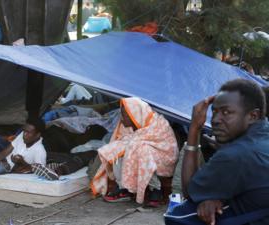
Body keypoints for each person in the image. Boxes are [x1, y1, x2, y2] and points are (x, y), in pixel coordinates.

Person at [168, 79, 269, 225]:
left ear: (253, 116)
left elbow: (190, 192)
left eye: (226, 112)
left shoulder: (235, 155)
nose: (215, 120)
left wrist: (195, 128)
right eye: (214, 111)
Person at [91, 97, 179, 204]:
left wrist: (134, 145)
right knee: (116, 150)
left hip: (162, 158)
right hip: (140, 154)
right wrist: (130, 145)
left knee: (142, 149)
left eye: (125, 115)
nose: (122, 119)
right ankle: (124, 188)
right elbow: (122, 140)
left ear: (135, 114)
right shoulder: (126, 126)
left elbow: (167, 148)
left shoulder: (158, 123)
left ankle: (155, 189)